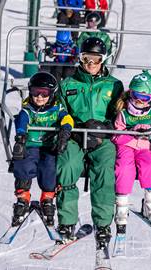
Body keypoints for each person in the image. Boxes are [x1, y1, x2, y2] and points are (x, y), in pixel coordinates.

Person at [55, 37, 124, 250]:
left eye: (95, 59)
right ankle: (67, 222)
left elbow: (120, 116)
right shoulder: (68, 84)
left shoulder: (113, 85)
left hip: (102, 139)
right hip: (75, 137)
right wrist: (71, 129)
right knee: (67, 166)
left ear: (103, 60)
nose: (91, 64)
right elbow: (60, 110)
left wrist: (104, 129)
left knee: (104, 169)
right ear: (80, 58)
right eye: (86, 58)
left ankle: (102, 224)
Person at [111, 70, 151, 234]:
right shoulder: (124, 111)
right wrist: (132, 140)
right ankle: (122, 206)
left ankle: (150, 203)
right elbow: (116, 134)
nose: (138, 101)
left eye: (144, 98)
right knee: (124, 167)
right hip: (126, 146)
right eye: (135, 95)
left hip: (144, 146)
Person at [11, 72, 74, 227]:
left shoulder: (57, 108)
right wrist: (20, 137)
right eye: (35, 92)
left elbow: (67, 119)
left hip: (49, 146)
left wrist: (65, 133)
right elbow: (22, 121)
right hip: (31, 144)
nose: (39, 97)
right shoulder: (28, 109)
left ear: (51, 94)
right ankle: (22, 197)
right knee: (23, 163)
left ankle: (47, 197)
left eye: (44, 93)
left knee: (49, 167)